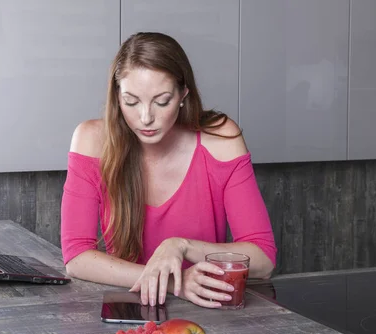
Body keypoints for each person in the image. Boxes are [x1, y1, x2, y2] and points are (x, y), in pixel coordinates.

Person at [60, 32, 276, 309]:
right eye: (131, 101)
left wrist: (181, 245)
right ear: (117, 96)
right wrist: (175, 283)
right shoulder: (91, 140)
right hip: (130, 308)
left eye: (162, 101)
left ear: (183, 94)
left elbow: (264, 259)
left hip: (209, 313)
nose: (146, 117)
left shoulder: (221, 138)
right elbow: (77, 257)